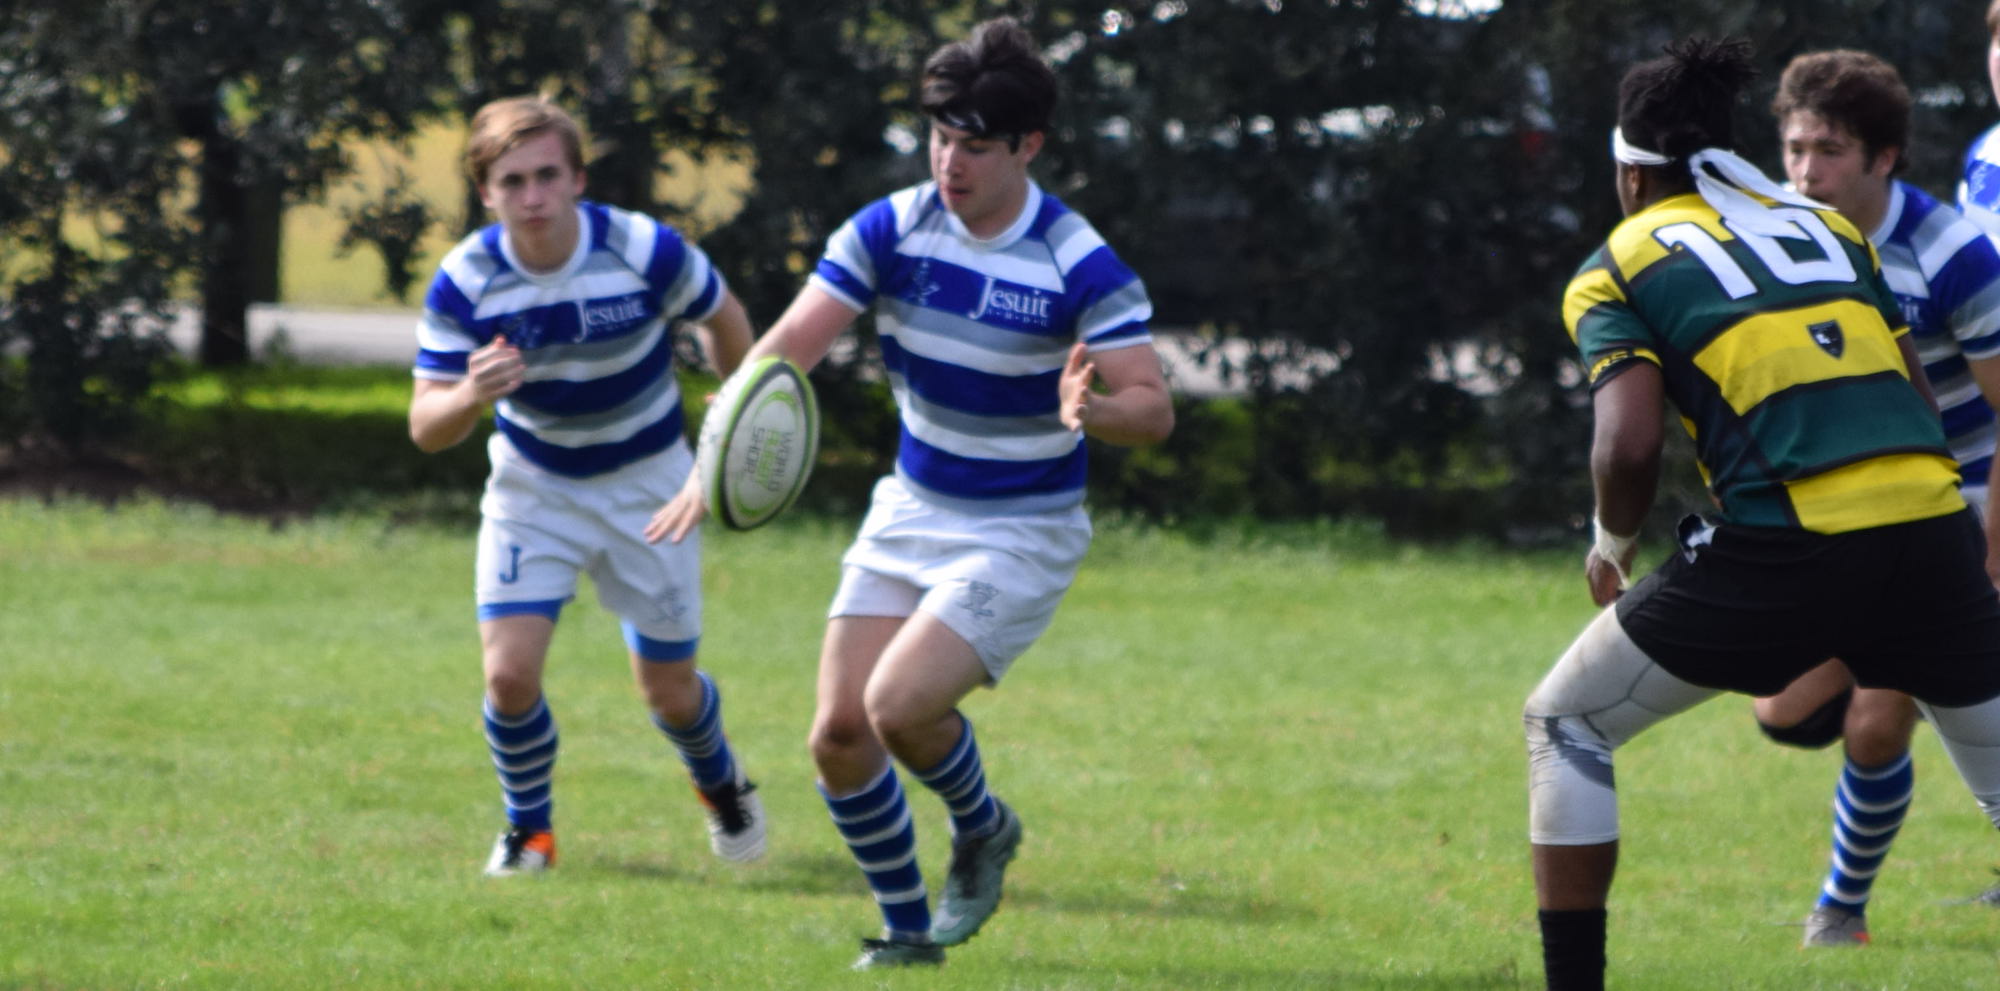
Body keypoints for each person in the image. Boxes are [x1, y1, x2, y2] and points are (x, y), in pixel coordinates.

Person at [649, 16, 1173, 970]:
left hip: (1022, 528)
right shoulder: (891, 228)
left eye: (975, 146)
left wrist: (1092, 409)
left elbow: (1154, 406)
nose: (950, 163)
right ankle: (906, 938)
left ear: (1028, 146)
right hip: (912, 507)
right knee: (839, 734)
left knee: (897, 706)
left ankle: (983, 826)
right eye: (939, 139)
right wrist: (711, 454)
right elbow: (786, 353)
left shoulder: (1075, 261)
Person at [1524, 37, 2000, 991]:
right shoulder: (1833, 231)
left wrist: (1611, 540)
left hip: (1793, 544)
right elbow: (1913, 389)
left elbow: (1626, 445)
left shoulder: (1615, 265)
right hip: (1931, 522)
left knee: (1564, 721)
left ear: (1628, 169)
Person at [409, 95, 765, 877]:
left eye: (546, 176)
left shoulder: (642, 249)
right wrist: (471, 394)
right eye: (512, 182)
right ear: (486, 191)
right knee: (507, 675)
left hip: (650, 487)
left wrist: (737, 411)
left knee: (668, 691)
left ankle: (720, 781)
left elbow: (724, 314)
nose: (531, 197)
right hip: (535, 486)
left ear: (576, 179)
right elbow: (426, 425)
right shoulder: (466, 279)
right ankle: (528, 831)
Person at [1747, 49, 2000, 947]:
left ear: (1884, 157)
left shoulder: (1951, 256)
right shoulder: (1780, 239)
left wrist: (1989, 554)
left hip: (1962, 495)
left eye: (1830, 151)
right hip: (1861, 503)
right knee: (1782, 711)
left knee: (1874, 711)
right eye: (1794, 148)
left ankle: (1839, 911)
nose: (1806, 172)